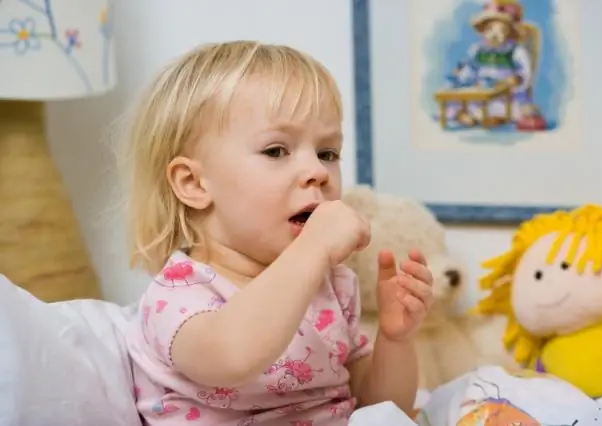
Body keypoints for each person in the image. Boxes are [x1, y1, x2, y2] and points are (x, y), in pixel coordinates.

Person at [122, 40, 433, 425]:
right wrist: (315, 248)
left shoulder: (332, 286)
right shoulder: (178, 295)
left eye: (327, 153)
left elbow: (380, 407)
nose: (317, 171)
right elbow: (232, 357)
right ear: (194, 183)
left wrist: (395, 339)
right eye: (276, 151)